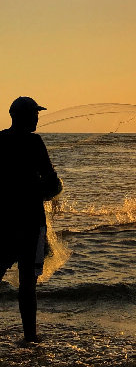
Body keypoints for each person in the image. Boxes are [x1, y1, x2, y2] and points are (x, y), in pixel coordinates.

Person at [0, 97, 62, 343]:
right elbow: (51, 181)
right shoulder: (35, 143)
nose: (38, 117)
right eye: (35, 114)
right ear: (24, 117)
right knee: (28, 285)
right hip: (32, 224)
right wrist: (47, 191)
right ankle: (30, 338)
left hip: (3, 223)